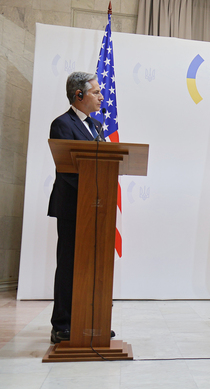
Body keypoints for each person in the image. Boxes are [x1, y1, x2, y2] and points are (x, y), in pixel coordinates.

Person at [48, 71, 104, 343]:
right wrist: (90, 190)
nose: (101, 96)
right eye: (95, 92)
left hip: (96, 207)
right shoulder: (62, 124)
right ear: (78, 95)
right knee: (69, 265)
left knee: (92, 267)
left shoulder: (96, 126)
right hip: (73, 206)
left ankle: (89, 321)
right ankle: (62, 324)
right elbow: (66, 168)